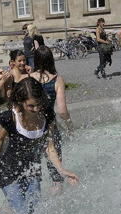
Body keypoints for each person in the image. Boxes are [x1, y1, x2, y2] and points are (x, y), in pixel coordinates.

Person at [0, 77, 79, 214]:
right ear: (21, 102)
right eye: (31, 106)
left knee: (34, 212)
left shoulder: (47, 115)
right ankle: (2, 213)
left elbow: (49, 146)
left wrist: (62, 170)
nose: (36, 109)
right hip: (9, 173)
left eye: (38, 104)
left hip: (32, 171)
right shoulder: (10, 118)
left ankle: (2, 213)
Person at [30, 46, 74, 194]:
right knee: (55, 166)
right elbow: (62, 110)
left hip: (31, 126)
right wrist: (69, 125)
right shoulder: (57, 79)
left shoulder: (29, 78)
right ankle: (57, 196)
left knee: (33, 164)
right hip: (49, 126)